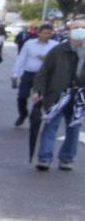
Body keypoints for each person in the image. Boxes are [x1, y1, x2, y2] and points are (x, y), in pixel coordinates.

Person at [29, 19, 85, 171]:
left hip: (79, 97)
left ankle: (66, 159)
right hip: (57, 95)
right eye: (76, 28)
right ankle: (44, 158)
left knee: (73, 129)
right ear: (69, 31)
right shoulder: (58, 51)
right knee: (51, 126)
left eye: (82, 27)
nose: (80, 30)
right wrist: (39, 90)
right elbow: (44, 72)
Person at [14, 20, 58, 153]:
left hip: (44, 77)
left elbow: (58, 62)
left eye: (49, 33)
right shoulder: (29, 44)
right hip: (29, 74)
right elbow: (21, 58)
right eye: (44, 33)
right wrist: (15, 72)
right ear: (39, 33)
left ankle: (35, 121)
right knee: (22, 96)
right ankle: (23, 114)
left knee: (38, 100)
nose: (46, 35)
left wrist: (47, 58)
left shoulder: (55, 46)